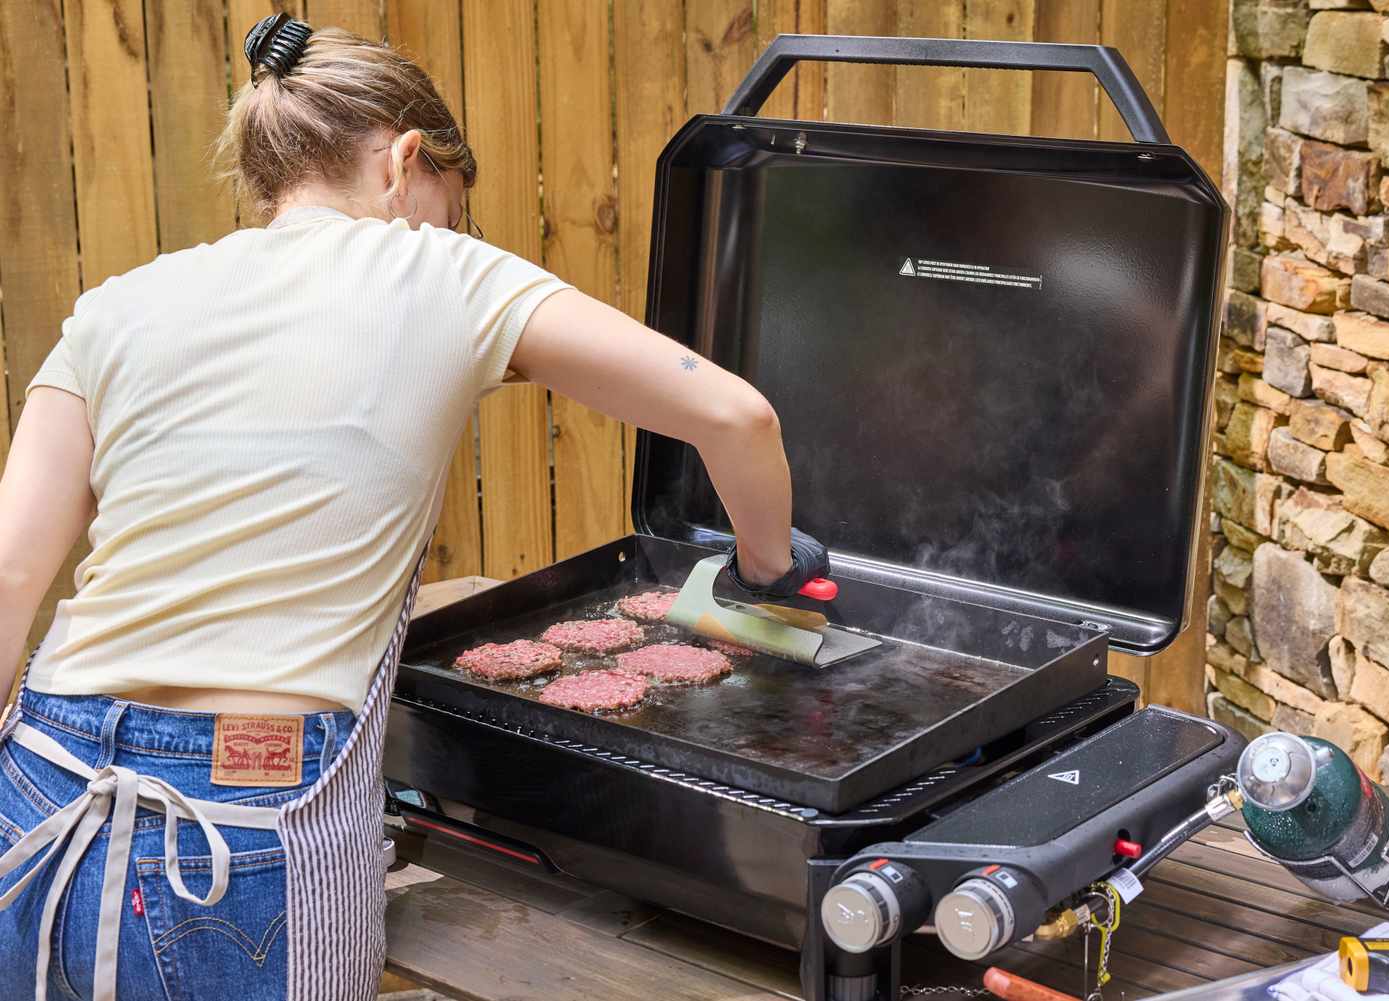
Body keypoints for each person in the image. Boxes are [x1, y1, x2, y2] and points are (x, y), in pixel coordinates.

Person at [0, 15, 826, 1001]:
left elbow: (9, 575)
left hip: (37, 793)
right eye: (452, 209)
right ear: (404, 163)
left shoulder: (116, 305)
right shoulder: (438, 271)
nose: (451, 235)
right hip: (242, 826)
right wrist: (766, 571)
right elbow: (737, 415)